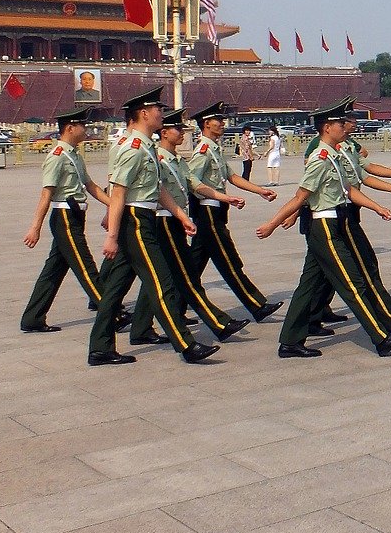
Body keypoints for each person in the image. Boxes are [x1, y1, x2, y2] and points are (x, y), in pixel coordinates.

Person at [257, 99, 391, 359]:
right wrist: (273, 224)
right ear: (327, 127)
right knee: (352, 284)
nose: (346, 126)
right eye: (341, 123)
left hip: (337, 221)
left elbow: (350, 189)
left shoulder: (334, 155)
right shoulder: (320, 158)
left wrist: (377, 207)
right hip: (325, 226)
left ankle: (290, 341)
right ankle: (382, 336)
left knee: (308, 285)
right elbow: (300, 197)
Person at [87, 88, 219, 366]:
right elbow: (120, 191)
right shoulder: (133, 149)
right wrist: (111, 235)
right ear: (144, 114)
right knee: (162, 282)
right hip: (136, 221)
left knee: (115, 288)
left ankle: (100, 347)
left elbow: (156, 188)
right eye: (158, 109)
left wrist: (180, 215)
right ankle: (185, 344)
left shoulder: (146, 147)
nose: (162, 113)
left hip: (141, 217)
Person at [125, 108, 249, 345]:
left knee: (164, 276)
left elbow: (195, 185)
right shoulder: (157, 157)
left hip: (174, 219)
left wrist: (226, 198)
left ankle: (141, 327)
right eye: (177, 129)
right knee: (184, 277)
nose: (182, 133)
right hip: (162, 220)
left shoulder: (176, 160)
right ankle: (217, 323)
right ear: (164, 133)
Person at [306, 98, 391, 333]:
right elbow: (309, 189)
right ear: (334, 125)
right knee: (359, 265)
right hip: (332, 213)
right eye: (348, 120)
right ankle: (387, 315)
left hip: (346, 210)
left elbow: (364, 173)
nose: (354, 123)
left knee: (323, 272)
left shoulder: (347, 146)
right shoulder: (322, 149)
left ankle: (311, 317)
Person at [187, 102, 283, 322]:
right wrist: (224, 197)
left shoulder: (214, 148)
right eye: (217, 120)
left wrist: (259, 190)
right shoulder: (203, 150)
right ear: (206, 124)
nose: (222, 124)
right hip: (207, 212)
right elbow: (193, 182)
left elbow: (232, 177)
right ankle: (256, 305)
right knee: (229, 261)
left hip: (216, 211)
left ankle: (174, 306)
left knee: (193, 266)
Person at [20, 107, 110, 332]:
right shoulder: (57, 157)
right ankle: (111, 312)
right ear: (70, 128)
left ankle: (33, 318)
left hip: (75, 216)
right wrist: (35, 227)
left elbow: (90, 186)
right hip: (64, 217)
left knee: (53, 270)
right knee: (85, 266)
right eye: (83, 126)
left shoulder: (75, 155)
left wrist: (114, 205)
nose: (86, 129)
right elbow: (46, 194)